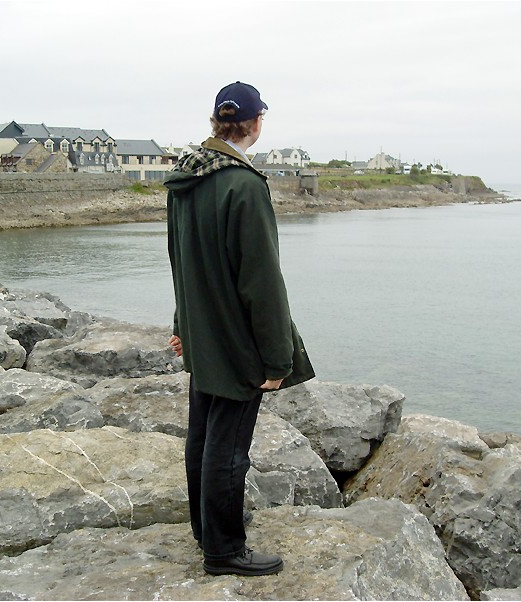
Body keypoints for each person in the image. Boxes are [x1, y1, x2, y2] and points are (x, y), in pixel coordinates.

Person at [165, 81, 314, 577]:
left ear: (218, 122)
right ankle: (224, 550)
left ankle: (207, 527)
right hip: (235, 338)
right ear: (255, 123)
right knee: (228, 448)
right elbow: (261, 281)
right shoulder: (243, 184)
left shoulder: (187, 175)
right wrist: (277, 356)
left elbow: (179, 260)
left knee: (203, 436)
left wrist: (183, 324)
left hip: (204, 331)